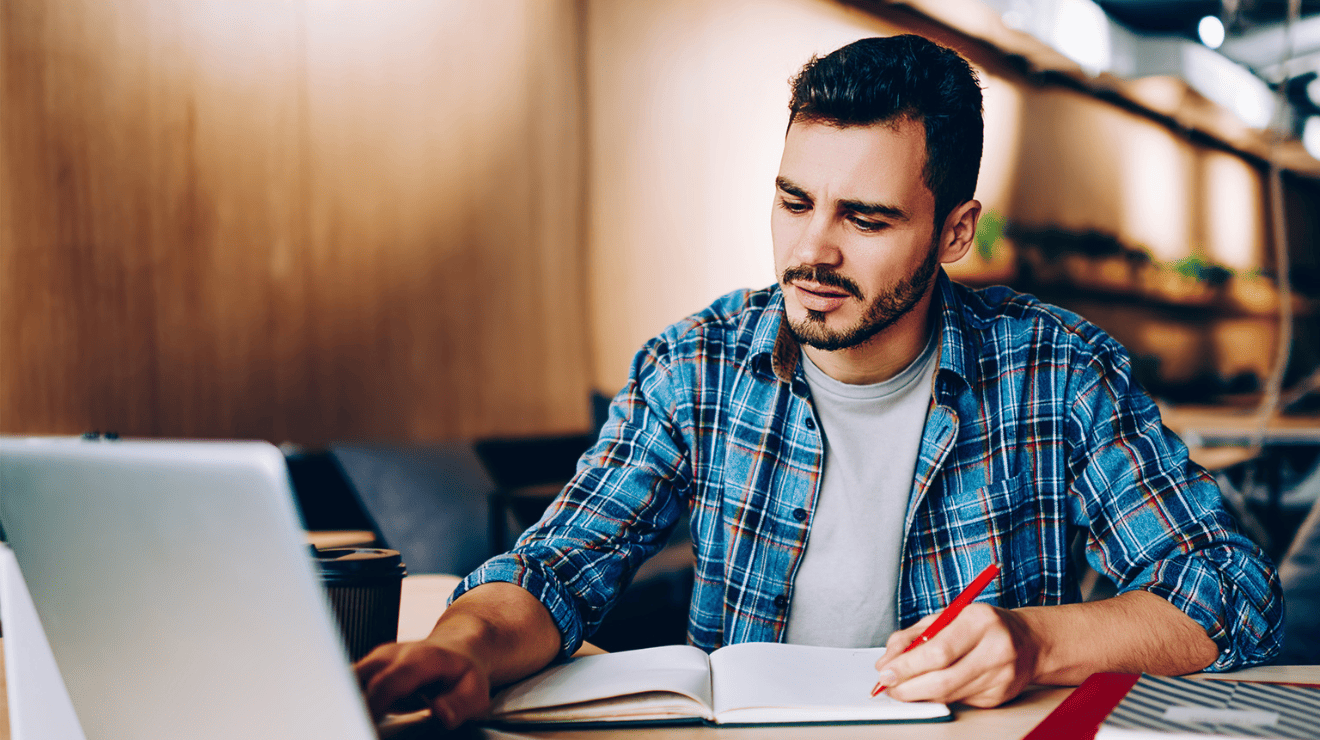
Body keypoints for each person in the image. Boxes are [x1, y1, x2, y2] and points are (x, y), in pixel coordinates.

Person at [355, 34, 1283, 728]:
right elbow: (558, 569)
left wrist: (1039, 642)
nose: (811, 251)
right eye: (795, 201)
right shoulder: (697, 366)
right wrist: (460, 647)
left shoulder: (1060, 372)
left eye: (866, 219)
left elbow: (1232, 596)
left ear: (954, 234)